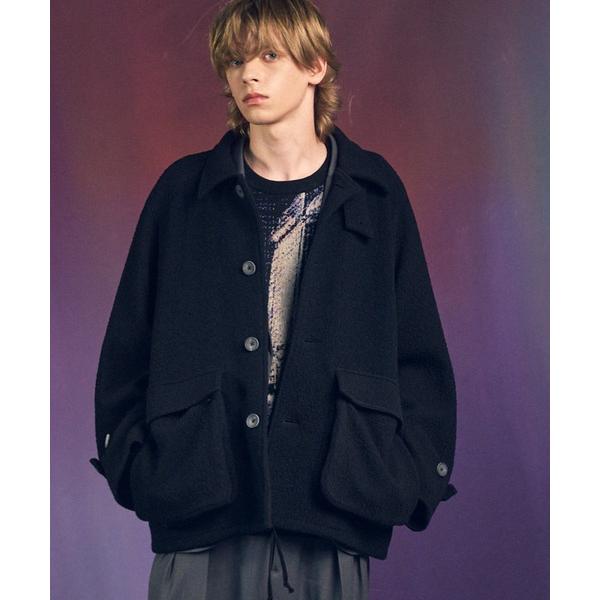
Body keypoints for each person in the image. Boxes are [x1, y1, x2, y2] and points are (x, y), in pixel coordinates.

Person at [89, 1, 458, 598]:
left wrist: (408, 475)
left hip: (333, 514)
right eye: (236, 62)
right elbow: (126, 352)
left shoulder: (376, 194)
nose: (249, 75)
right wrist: (140, 468)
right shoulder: (182, 194)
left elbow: (420, 355)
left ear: (315, 66)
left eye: (268, 56)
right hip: (199, 513)